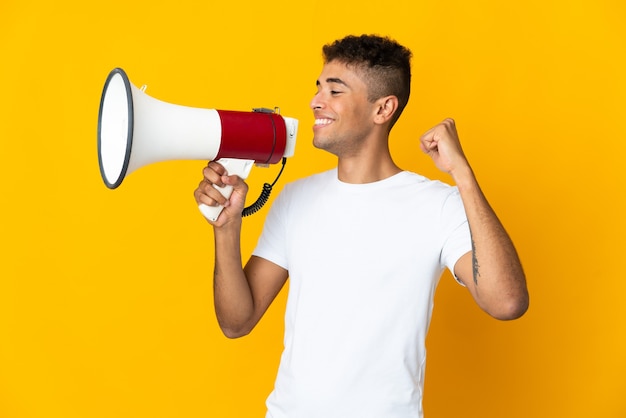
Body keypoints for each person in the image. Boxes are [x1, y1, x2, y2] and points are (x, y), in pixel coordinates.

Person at [194, 34, 529, 418]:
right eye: (318, 87)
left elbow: (506, 302)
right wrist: (226, 228)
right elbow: (237, 322)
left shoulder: (438, 205)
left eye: (335, 91)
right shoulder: (293, 198)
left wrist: (463, 174)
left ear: (383, 109)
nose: (315, 101)